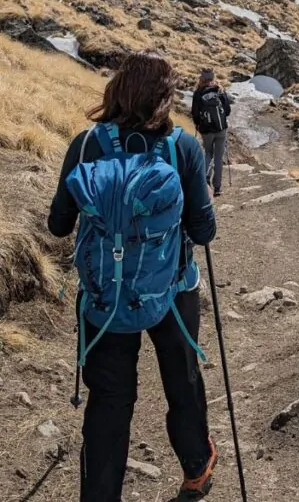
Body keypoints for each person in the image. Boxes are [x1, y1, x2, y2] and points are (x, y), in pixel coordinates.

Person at [48, 51, 218, 502]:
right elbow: (204, 230)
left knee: (110, 400)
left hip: (104, 295)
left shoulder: (86, 146)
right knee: (181, 381)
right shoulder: (182, 147)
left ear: (117, 89)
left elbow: (58, 225)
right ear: (165, 97)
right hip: (173, 289)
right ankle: (197, 469)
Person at [191, 69, 232, 197]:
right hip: (221, 129)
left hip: (207, 130)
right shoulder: (219, 90)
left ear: (201, 78)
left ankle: (205, 181)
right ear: (213, 77)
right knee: (219, 158)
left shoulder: (198, 93)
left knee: (208, 153)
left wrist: (198, 124)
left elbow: (195, 113)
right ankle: (218, 187)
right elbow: (227, 110)